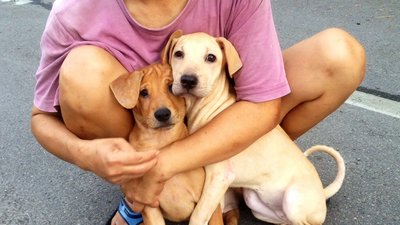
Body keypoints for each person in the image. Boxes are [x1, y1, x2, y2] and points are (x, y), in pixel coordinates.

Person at [31, 0, 366, 224]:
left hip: (217, 119)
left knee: (339, 54)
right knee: (82, 71)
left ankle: (235, 173)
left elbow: (263, 102)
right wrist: (86, 155)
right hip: (143, 134)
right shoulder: (75, 10)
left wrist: (163, 165)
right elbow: (41, 116)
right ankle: (141, 187)